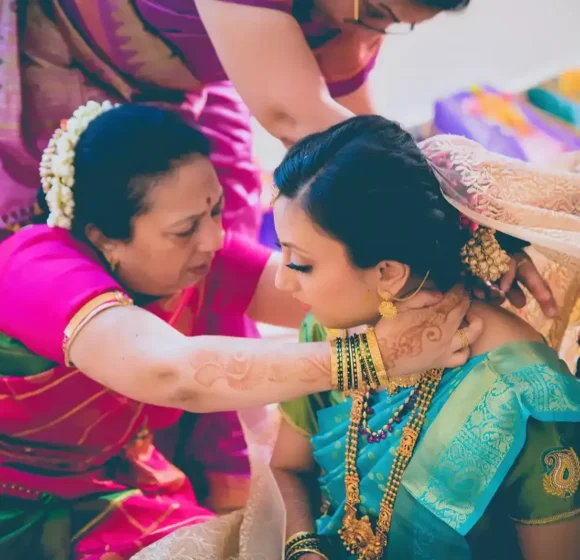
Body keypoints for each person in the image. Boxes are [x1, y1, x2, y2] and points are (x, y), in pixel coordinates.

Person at [0, 102, 482, 560]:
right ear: (104, 238)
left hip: (110, 486)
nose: (214, 239)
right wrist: (376, 356)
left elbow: (338, 289)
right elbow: (170, 372)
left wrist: (471, 265)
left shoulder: (194, 261)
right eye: (186, 228)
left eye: (215, 211)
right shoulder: (37, 268)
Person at [1, 0, 558, 316]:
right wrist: (465, 222)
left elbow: (365, 144)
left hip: (184, 85)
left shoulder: (354, 16)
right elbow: (297, 118)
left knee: (220, 241)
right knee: (101, 265)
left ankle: (207, 447)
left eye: (393, 23)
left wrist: (469, 229)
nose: (372, 31)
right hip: (55, 61)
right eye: (374, 9)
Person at [263, 117, 579, 559]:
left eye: (300, 264)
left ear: (388, 273)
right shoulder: (330, 333)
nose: (281, 281)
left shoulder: (523, 391)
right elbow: (288, 468)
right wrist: (303, 548)